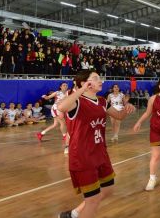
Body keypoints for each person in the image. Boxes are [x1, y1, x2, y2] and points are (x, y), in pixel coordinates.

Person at [57, 70, 135, 218]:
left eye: (100, 78)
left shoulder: (102, 101)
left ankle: (73, 214)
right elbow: (61, 107)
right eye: (95, 78)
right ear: (84, 83)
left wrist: (126, 109)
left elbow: (119, 116)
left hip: (100, 152)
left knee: (108, 189)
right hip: (82, 156)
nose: (101, 80)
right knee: (92, 200)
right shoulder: (76, 102)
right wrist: (81, 89)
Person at [37, 82, 70, 154]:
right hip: (56, 109)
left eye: (66, 85)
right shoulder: (57, 92)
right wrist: (45, 96)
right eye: (63, 85)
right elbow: (48, 97)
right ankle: (65, 137)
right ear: (60, 87)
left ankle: (41, 133)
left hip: (62, 109)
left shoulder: (68, 92)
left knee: (55, 124)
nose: (65, 86)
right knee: (63, 123)